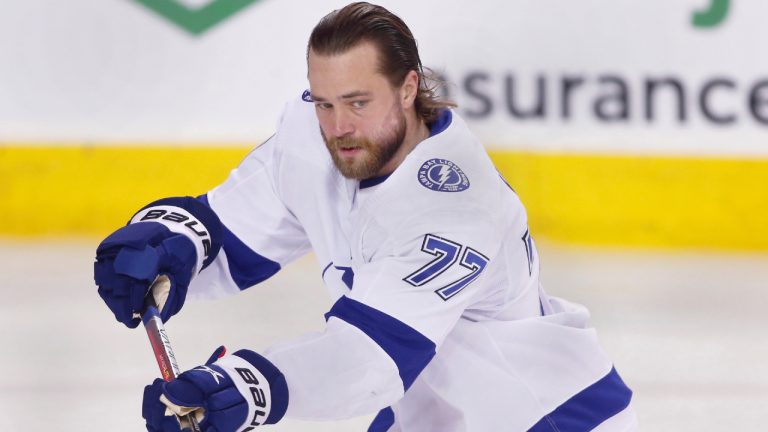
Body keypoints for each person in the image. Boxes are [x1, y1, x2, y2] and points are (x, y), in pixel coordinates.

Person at [94, 2, 637, 431]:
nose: (337, 127)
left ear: (407, 88)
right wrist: (170, 243)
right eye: (324, 102)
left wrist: (244, 386)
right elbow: (231, 232)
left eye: (357, 102)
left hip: (546, 418)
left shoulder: (457, 209)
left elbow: (371, 358)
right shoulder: (315, 137)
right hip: (425, 413)